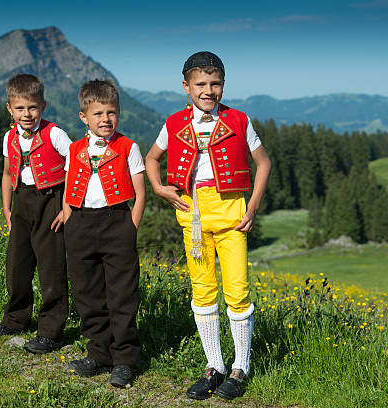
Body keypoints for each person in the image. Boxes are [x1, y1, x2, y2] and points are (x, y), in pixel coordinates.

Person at [145, 51, 271, 400]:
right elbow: (151, 158)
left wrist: (254, 206)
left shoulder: (240, 120)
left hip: (232, 215)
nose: (208, 90)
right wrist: (158, 188)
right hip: (193, 216)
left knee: (237, 290)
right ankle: (214, 365)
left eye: (215, 84)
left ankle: (240, 368)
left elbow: (263, 163)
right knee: (202, 290)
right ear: (186, 87)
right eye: (201, 84)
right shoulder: (173, 124)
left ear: (223, 85)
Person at [63, 79, 146, 388]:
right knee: (87, 293)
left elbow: (140, 193)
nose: (106, 120)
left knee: (122, 294)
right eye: (98, 114)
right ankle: (98, 353)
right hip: (80, 223)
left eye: (112, 112)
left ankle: (124, 359)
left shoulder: (128, 147)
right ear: (84, 117)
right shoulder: (74, 149)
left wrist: (130, 227)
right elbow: (69, 188)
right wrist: (70, 221)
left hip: (117, 223)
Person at [0, 74, 71, 356]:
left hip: (50, 201)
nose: (27, 114)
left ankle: (51, 332)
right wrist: (8, 210)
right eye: (20, 108)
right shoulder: (9, 136)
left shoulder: (55, 134)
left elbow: (76, 168)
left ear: (43, 106)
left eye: (32, 107)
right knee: (17, 265)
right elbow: (8, 174)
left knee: (51, 268)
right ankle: (15, 319)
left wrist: (67, 207)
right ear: (9, 109)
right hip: (21, 202)